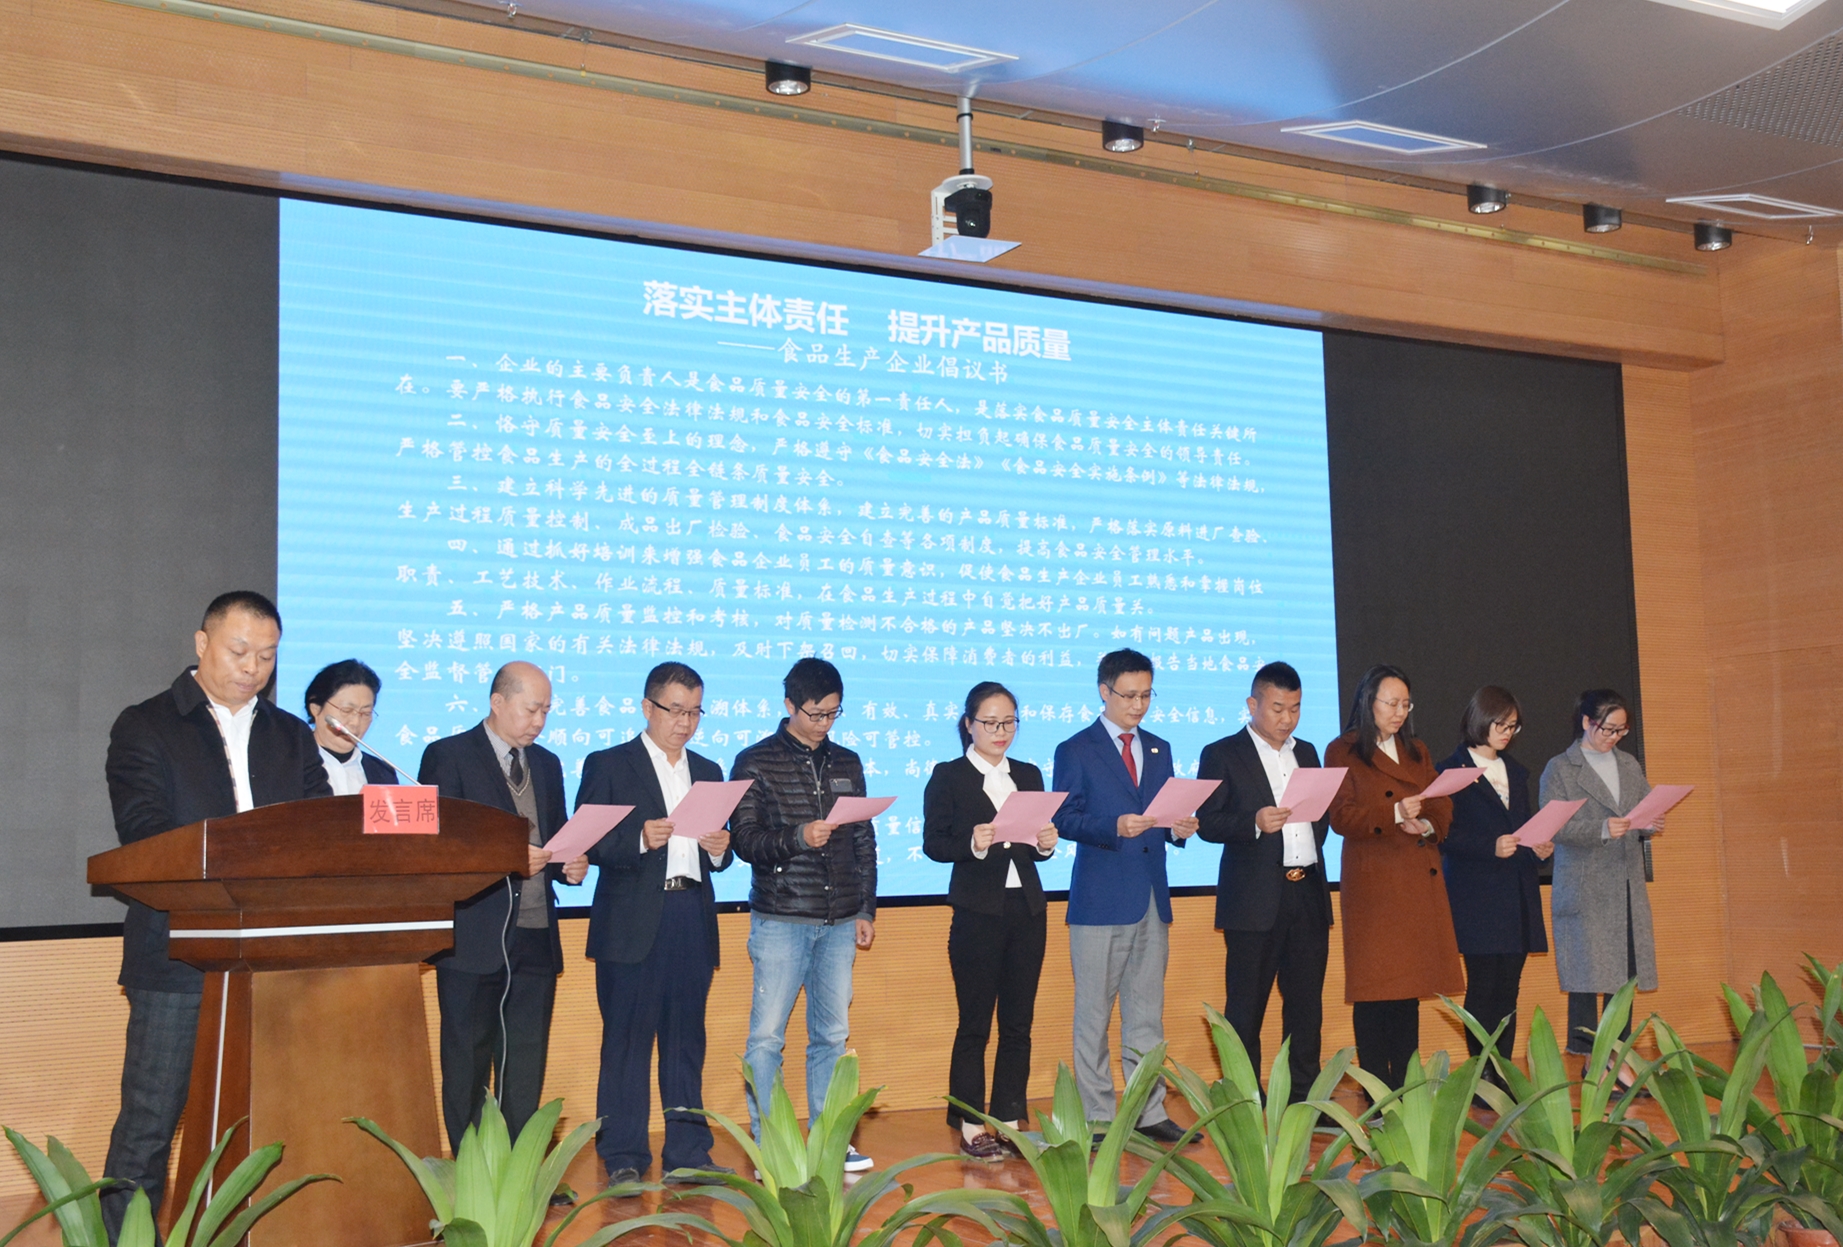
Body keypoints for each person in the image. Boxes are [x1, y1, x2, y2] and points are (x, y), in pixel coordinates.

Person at [100, 591, 332, 1237]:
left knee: (268, 1119)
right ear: (201, 644)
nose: (253, 667)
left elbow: (319, 829)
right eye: (239, 651)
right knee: (150, 1123)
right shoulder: (147, 725)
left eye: (268, 656)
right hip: (177, 955)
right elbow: (143, 832)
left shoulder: (291, 735)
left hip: (275, 963)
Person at [418, 661, 589, 1160]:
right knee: (467, 1062)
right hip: (474, 937)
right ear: (497, 702)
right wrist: (506, 860)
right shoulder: (448, 755)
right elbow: (438, 845)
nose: (539, 721)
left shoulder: (548, 764)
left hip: (535, 934)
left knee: (525, 1062)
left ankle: (521, 1173)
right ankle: (472, 1172)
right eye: (531, 709)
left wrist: (570, 866)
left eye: (546, 711)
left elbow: (554, 839)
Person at [576, 662, 735, 1185]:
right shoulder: (609, 764)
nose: (685, 723)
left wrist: (721, 849)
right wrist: (639, 839)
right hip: (632, 921)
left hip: (691, 914)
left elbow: (719, 853)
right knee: (626, 1041)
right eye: (675, 710)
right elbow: (587, 841)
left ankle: (688, 1151)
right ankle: (623, 1153)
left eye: (695, 712)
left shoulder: (708, 770)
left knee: (686, 1040)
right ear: (648, 707)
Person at [730, 657, 878, 1171]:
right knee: (767, 1038)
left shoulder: (847, 762)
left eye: (833, 714)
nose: (823, 723)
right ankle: (772, 1143)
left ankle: (830, 1139)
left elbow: (863, 841)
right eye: (815, 713)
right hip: (781, 918)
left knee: (832, 1036)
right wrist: (798, 837)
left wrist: (866, 907)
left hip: (840, 920)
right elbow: (744, 841)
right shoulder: (755, 762)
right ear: (789, 704)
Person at [1053, 648, 1195, 1143]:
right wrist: (1113, 826)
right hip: (1099, 900)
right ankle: (1096, 1116)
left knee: (1146, 1014)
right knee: (1094, 1014)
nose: (1138, 705)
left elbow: (1164, 813)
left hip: (1151, 895)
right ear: (1104, 691)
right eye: (1129, 695)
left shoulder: (1159, 748)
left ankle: (1147, 1110)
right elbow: (1063, 818)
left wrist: (1179, 828)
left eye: (1147, 695)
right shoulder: (1076, 749)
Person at [922, 680, 1060, 1160]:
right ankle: (968, 1121)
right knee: (975, 1023)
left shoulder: (1028, 773)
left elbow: (1033, 848)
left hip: (1028, 910)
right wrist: (973, 842)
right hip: (977, 912)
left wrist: (1045, 844)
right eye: (990, 723)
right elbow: (934, 843)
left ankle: (1009, 1118)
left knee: (1019, 1023)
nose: (1001, 732)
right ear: (969, 724)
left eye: (1009, 722)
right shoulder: (949, 775)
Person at [1195, 661, 1331, 1100]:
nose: (1287, 718)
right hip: (1253, 900)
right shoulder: (1222, 753)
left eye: (1295, 708)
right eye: (1277, 708)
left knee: (1306, 1007)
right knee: (1246, 1009)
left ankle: (1305, 1099)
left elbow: (1321, 818)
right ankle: (1246, 1101)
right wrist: (1253, 822)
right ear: (1252, 704)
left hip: (1307, 892)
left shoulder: (1307, 752)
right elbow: (1207, 821)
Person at [1325, 664, 1464, 1091]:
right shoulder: (1343, 750)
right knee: (1374, 991)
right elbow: (1341, 816)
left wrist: (1427, 825)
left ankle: (1407, 1089)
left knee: (1407, 992)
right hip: (1374, 886)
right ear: (1368, 702)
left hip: (1414, 879)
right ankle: (1375, 1091)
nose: (1400, 712)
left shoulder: (1416, 750)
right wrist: (1394, 813)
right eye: (1392, 703)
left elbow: (1441, 802)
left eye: (1406, 704)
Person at [1540, 689, 1660, 1089]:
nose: (1614, 737)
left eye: (1621, 730)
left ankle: (1617, 1055)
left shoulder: (1628, 764)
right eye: (1607, 729)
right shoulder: (1561, 768)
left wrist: (1650, 823)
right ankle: (1595, 1059)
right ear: (1586, 722)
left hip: (1624, 883)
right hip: (1586, 885)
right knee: (1588, 976)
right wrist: (1601, 828)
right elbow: (1553, 826)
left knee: (1624, 974)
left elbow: (1644, 808)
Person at [1437, 686, 1550, 1085]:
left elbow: (1523, 827)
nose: (1507, 733)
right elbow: (1442, 834)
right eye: (1500, 724)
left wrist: (1539, 846)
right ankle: (1481, 1070)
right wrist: (1489, 846)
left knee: (1509, 988)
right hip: (1476, 895)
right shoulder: (1451, 771)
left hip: (1516, 893)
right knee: (1483, 985)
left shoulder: (1516, 771)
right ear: (1480, 720)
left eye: (1513, 726)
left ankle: (1502, 1070)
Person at [303, 658, 397, 792]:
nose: (355, 723)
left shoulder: (383, 772)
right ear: (316, 709)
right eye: (346, 710)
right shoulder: (290, 766)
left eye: (365, 713)